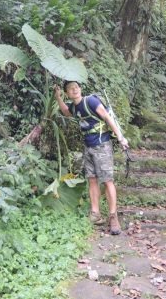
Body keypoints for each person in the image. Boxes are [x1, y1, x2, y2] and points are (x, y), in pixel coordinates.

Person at [54, 80, 129, 235]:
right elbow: (67, 112)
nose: (74, 90)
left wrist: (121, 138)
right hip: (88, 147)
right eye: (70, 89)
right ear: (67, 93)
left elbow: (108, 118)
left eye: (76, 87)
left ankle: (113, 217)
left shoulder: (91, 101)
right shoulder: (74, 107)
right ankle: (95, 214)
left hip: (102, 145)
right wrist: (58, 98)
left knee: (107, 181)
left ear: (80, 89)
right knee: (92, 179)